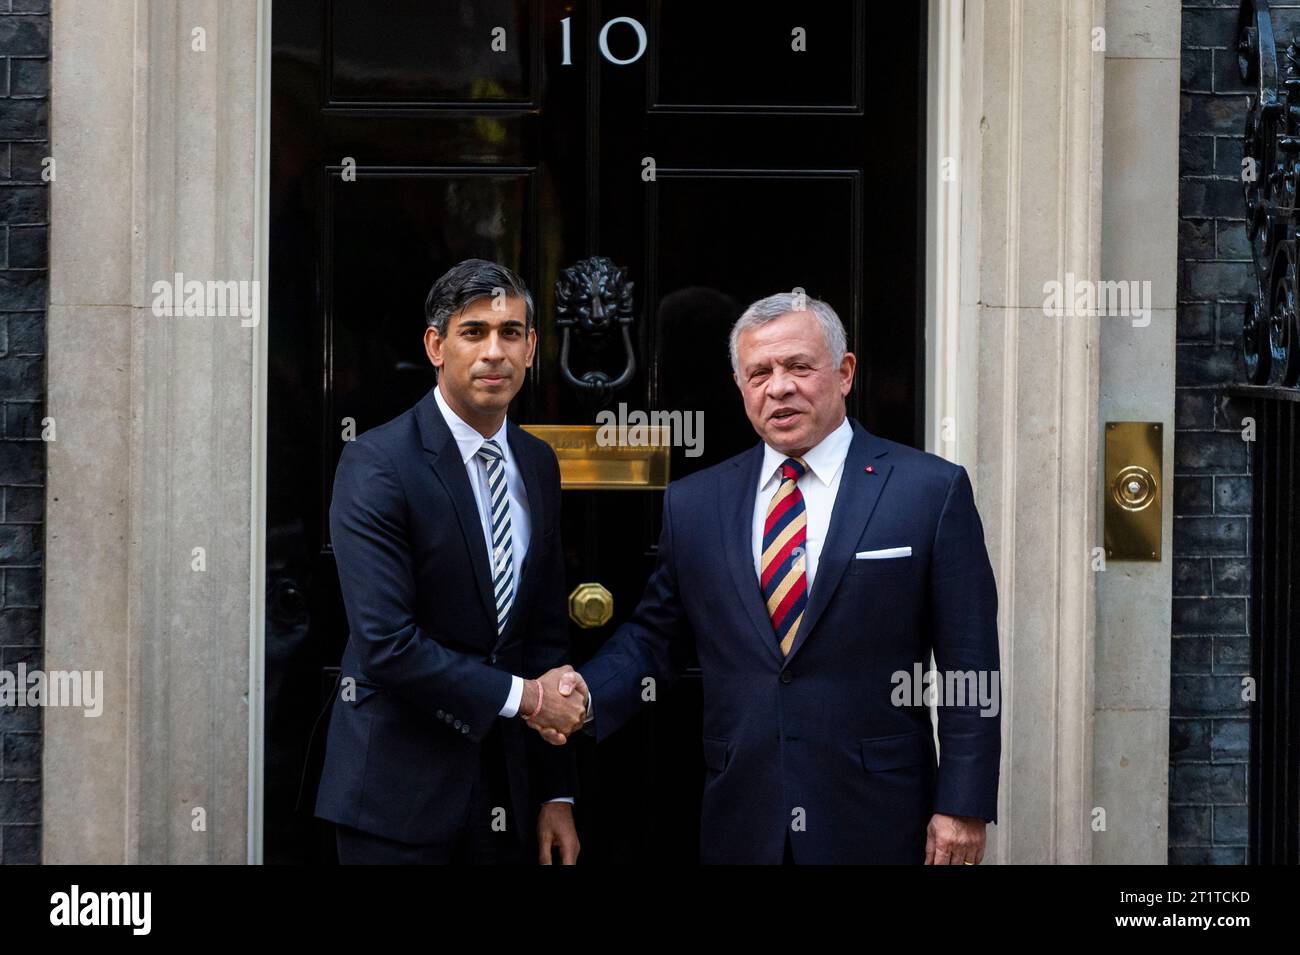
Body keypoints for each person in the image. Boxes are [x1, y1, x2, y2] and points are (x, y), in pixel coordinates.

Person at [543, 291, 1001, 864]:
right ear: (741, 388)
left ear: (845, 372)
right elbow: (654, 639)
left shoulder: (929, 491)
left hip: (880, 818)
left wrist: (963, 805)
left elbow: (971, 664)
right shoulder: (696, 503)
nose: (778, 387)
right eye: (759, 372)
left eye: (798, 367)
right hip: (743, 817)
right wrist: (584, 695)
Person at [314, 259, 586, 864]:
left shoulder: (538, 463)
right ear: (436, 346)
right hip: (395, 796)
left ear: (532, 347)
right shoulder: (378, 463)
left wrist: (556, 791)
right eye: (474, 332)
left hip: (507, 795)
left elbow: (542, 634)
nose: (495, 352)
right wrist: (529, 698)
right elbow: (387, 643)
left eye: (511, 333)